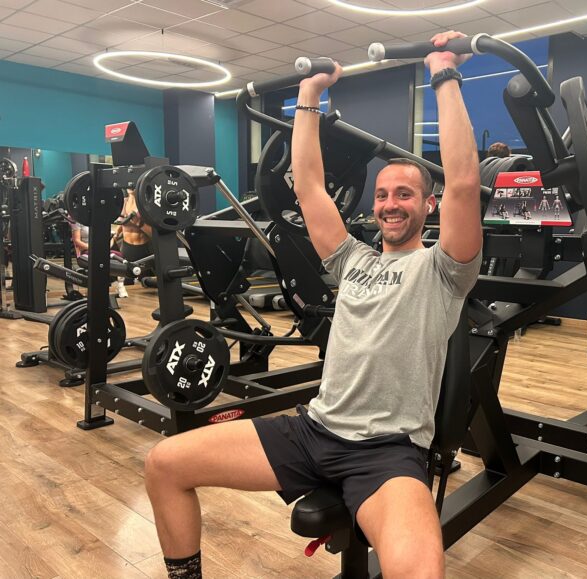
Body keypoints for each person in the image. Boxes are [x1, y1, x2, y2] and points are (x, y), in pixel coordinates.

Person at [143, 30, 482, 579]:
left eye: (405, 194)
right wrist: (308, 96)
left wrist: (443, 73)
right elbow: (308, 188)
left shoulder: (444, 270)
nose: (390, 204)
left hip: (386, 452)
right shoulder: (352, 260)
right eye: (382, 195)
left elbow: (465, 182)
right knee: (164, 463)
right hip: (314, 431)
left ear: (429, 203)